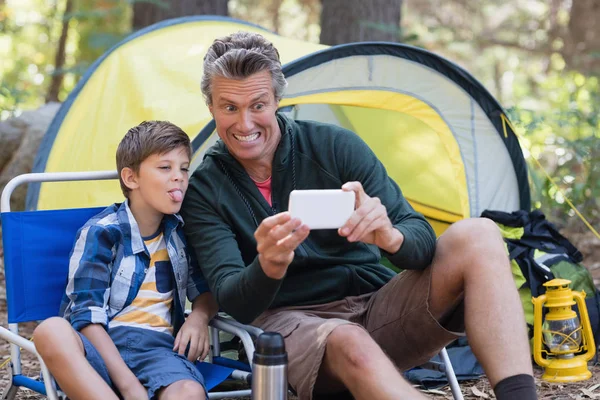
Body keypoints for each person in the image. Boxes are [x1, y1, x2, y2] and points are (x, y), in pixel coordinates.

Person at [181, 32, 537, 400]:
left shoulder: (335, 147)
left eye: (258, 105)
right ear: (210, 107)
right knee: (348, 339)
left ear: (276, 100)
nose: (245, 123)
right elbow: (234, 300)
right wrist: (269, 265)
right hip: (287, 326)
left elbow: (420, 237)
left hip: (376, 306)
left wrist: (390, 237)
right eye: (229, 108)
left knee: (479, 234)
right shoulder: (205, 189)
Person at [33, 121, 218, 400]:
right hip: (99, 349)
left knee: (189, 392)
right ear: (131, 178)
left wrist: (199, 317)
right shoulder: (102, 232)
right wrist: (130, 387)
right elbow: (86, 317)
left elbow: (204, 290)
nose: (179, 176)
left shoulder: (181, 233)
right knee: (50, 330)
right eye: (165, 167)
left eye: (183, 167)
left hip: (159, 352)